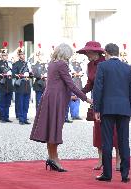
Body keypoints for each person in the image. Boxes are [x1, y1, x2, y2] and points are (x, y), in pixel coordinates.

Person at [30, 43, 92, 172]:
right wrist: (86, 98)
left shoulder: (52, 63)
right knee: (55, 128)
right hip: (56, 100)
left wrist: (71, 96)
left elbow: (58, 84)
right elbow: (70, 84)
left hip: (50, 97)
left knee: (50, 128)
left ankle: (52, 158)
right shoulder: (62, 64)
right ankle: (55, 159)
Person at [93, 43, 131, 183]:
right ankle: (125, 174)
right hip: (124, 109)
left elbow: (98, 88)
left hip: (107, 108)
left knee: (107, 141)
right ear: (117, 53)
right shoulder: (128, 68)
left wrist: (97, 109)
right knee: (124, 141)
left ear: (106, 53)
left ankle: (107, 174)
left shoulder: (102, 66)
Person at [77, 41, 120, 170]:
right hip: (97, 101)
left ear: (96, 52)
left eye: (88, 52)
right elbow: (90, 83)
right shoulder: (90, 65)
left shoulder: (106, 63)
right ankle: (101, 159)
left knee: (115, 131)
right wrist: (79, 93)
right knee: (98, 131)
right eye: (86, 52)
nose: (86, 54)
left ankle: (118, 159)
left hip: (109, 100)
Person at [0, 41, 14, 123]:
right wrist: (4, 74)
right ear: (1, 56)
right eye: (3, 55)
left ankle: (6, 116)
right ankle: (2, 117)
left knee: (8, 102)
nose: (5, 57)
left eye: (6, 55)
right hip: (2, 84)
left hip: (9, 84)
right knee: (2, 102)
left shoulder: (9, 64)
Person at [12, 48, 33, 125]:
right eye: (21, 54)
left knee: (26, 103)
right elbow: (13, 74)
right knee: (20, 103)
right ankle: (21, 119)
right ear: (19, 55)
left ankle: (25, 117)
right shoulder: (16, 64)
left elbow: (31, 74)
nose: (23, 56)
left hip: (27, 84)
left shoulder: (27, 64)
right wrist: (21, 75)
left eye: (24, 54)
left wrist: (31, 73)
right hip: (20, 84)